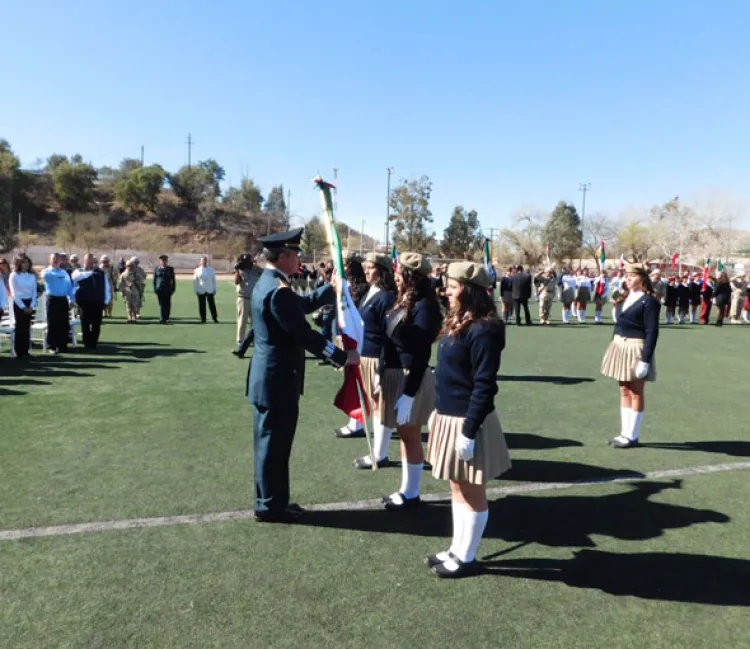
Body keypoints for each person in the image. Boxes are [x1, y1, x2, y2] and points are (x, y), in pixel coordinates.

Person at [247, 228, 359, 523]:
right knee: (273, 446)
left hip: (271, 380)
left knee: (273, 444)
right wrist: (341, 357)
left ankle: (274, 501)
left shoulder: (272, 282)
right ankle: (270, 506)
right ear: (283, 256)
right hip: (277, 381)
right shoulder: (277, 290)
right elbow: (303, 333)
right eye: (295, 254)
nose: (298, 259)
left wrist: (331, 287)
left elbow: (304, 304)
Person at [425, 261, 511, 578]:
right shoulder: (459, 322)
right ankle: (456, 548)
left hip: (468, 421)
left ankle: (468, 557)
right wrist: (437, 410)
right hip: (449, 415)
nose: (446, 289)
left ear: (470, 290)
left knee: (472, 490)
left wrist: (469, 431)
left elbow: (484, 385)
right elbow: (449, 377)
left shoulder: (483, 329)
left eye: (453, 285)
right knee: (456, 486)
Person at [380, 252, 443, 510]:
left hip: (411, 377)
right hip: (397, 374)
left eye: (398, 273)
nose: (395, 277)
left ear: (409, 276)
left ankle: (411, 492)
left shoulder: (424, 306)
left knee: (410, 435)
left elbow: (421, 352)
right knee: (406, 435)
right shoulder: (403, 300)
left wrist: (409, 392)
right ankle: (407, 489)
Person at [600, 263, 659, 449]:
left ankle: (632, 436)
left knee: (636, 391)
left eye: (632, 276)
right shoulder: (624, 296)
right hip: (620, 344)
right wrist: (616, 306)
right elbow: (619, 322)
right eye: (626, 276)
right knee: (624, 390)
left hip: (636, 348)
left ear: (642, 279)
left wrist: (646, 360)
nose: (628, 279)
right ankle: (624, 433)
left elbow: (652, 331)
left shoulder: (649, 301)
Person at [348, 252, 397, 468]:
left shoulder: (386, 297)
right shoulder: (370, 292)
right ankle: (378, 451)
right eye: (365, 266)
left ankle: (380, 453)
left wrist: (382, 368)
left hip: (377, 358)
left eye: (371, 267)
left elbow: (389, 336)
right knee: (373, 404)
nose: (366, 270)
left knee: (380, 407)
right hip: (364, 356)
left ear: (382, 270)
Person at [72, 253, 111, 350]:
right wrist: (90, 273)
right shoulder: (79, 271)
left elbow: (107, 287)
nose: (90, 262)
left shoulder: (100, 273)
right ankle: (87, 343)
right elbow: (75, 277)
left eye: (91, 260)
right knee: (85, 324)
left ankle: (93, 343)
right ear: (84, 261)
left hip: (98, 302)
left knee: (96, 324)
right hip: (84, 302)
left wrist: (106, 300)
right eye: (87, 260)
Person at [41, 253, 75, 354]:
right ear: (50, 260)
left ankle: (62, 345)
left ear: (61, 260)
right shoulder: (46, 271)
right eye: (53, 259)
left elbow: (69, 287)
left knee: (64, 323)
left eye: (57, 259)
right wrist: (58, 275)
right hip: (52, 299)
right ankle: (52, 346)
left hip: (63, 299)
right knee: (53, 323)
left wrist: (71, 299)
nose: (56, 260)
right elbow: (46, 277)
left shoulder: (64, 273)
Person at [9, 255, 37, 358]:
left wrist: (32, 305)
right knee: (20, 327)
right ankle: (19, 351)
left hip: (29, 302)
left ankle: (26, 350)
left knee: (27, 327)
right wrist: (23, 307)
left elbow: (34, 291)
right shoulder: (14, 275)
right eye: (23, 262)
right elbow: (14, 293)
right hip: (19, 303)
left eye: (27, 262)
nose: (26, 264)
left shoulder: (32, 276)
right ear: (18, 264)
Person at [235, 253, 261, 350]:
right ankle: (240, 341)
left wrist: (255, 265)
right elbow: (236, 282)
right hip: (243, 298)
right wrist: (237, 270)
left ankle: (254, 340)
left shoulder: (255, 269)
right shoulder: (240, 269)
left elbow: (263, 273)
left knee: (255, 322)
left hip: (254, 298)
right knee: (242, 321)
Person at [193, 256, 218, 323]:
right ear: (200, 262)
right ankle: (203, 318)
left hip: (210, 290)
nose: (204, 262)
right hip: (201, 290)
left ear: (207, 261)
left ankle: (214, 318)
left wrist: (215, 289)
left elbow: (214, 280)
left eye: (205, 261)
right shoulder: (196, 270)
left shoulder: (211, 270)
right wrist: (196, 290)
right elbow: (195, 281)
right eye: (202, 261)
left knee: (212, 304)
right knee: (201, 305)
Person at [153, 254, 176, 323]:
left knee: (167, 304)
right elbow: (154, 280)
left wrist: (173, 288)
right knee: (161, 304)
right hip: (159, 289)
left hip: (168, 289)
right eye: (162, 260)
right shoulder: (157, 269)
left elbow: (173, 280)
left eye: (165, 260)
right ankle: (162, 318)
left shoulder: (170, 269)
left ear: (167, 261)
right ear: (160, 261)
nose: (163, 262)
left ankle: (167, 318)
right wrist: (155, 288)